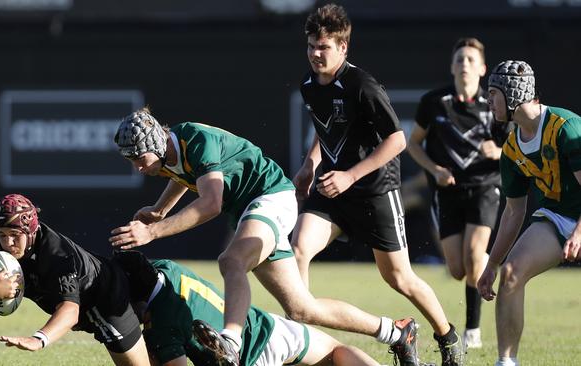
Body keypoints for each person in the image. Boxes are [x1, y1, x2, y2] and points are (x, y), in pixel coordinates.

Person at [110, 107, 418, 366]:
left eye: (139, 158)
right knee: (301, 309)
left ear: (157, 143)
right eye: (131, 160)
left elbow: (211, 203)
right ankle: (395, 331)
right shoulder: (168, 154)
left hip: (272, 198)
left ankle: (231, 340)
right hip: (255, 211)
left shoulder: (195, 138)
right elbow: (184, 176)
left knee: (232, 260)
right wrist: (160, 211)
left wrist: (152, 231)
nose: (137, 167)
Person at [291, 4, 463, 366]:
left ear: (343, 48)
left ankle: (447, 336)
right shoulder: (309, 86)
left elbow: (398, 140)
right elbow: (326, 130)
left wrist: (351, 175)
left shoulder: (362, 85)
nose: (315, 53)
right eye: (310, 46)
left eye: (323, 47)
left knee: (399, 277)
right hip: (333, 193)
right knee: (298, 250)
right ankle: (300, 335)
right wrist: (310, 164)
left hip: (374, 193)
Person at [0, 194, 150, 366]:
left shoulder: (56, 253)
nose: (8, 243)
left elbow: (70, 310)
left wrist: (38, 339)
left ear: (31, 231)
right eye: (2, 234)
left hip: (107, 298)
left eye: (15, 235)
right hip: (80, 306)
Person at [407, 38, 511, 349]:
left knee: (473, 256)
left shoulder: (495, 106)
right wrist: (434, 170)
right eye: (459, 59)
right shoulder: (434, 102)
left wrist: (500, 151)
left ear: (482, 69)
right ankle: (486, 264)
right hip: (447, 192)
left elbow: (517, 148)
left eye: (470, 59)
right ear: (452, 67)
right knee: (456, 270)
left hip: (485, 188)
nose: (464, 64)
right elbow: (412, 144)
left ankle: (472, 332)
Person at [477, 60, 581, 366]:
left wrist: (579, 232)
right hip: (558, 216)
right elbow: (513, 213)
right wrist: (492, 265)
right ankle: (506, 362)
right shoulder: (511, 148)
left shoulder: (565, 128)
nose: (488, 101)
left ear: (513, 95)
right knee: (511, 274)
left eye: (493, 94)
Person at [114, 250, 380, 366]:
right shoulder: (166, 268)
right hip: (266, 326)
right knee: (337, 352)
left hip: (253, 357)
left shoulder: (163, 325)